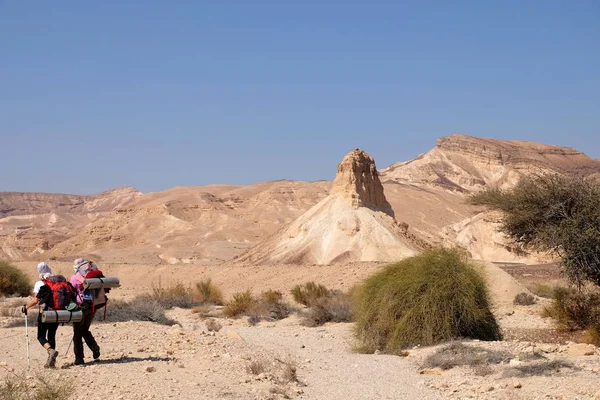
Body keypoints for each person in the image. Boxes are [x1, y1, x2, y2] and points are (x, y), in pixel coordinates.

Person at [22, 262, 60, 368]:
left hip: (44, 313)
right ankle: (51, 363)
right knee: (52, 336)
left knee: (41, 336)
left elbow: (35, 300)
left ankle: (50, 350)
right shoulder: (56, 281)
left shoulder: (39, 283)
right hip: (57, 312)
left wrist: (26, 307)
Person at [70, 258, 104, 365]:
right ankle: (94, 347)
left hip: (81, 307)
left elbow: (72, 291)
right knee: (84, 330)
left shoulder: (75, 278)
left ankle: (79, 358)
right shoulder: (92, 276)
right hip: (93, 306)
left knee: (77, 333)